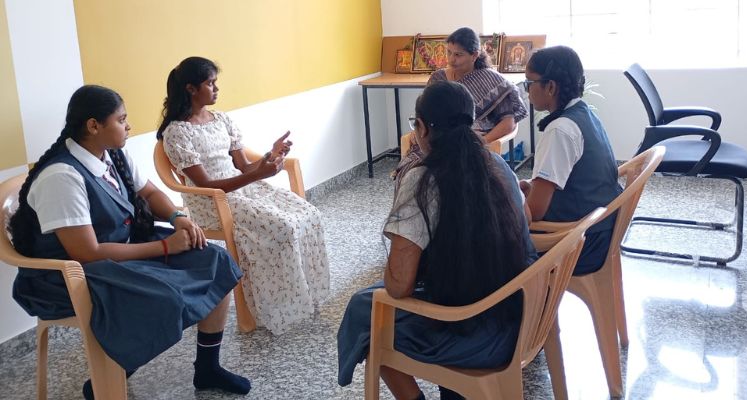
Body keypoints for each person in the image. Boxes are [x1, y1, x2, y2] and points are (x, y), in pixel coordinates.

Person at [9, 85, 250, 398]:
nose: (129, 126)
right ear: (93, 126)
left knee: (215, 260)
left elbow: (149, 192)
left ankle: (207, 368)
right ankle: (110, 377)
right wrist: (166, 246)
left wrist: (178, 218)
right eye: (121, 120)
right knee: (163, 297)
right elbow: (86, 252)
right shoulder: (61, 177)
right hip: (67, 275)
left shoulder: (110, 155)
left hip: (119, 252)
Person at [337, 81, 538, 400]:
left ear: (422, 128)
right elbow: (527, 220)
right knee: (373, 304)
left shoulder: (422, 179)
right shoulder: (497, 164)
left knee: (366, 316)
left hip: (468, 331)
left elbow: (399, 285)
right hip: (520, 319)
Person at [157, 56, 330, 334]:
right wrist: (257, 175)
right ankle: (272, 306)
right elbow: (207, 184)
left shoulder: (221, 119)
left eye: (215, 82)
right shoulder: (177, 133)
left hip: (242, 188)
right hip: (212, 201)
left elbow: (244, 167)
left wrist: (270, 156)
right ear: (191, 89)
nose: (216, 89)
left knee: (309, 214)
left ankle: (302, 295)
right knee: (282, 227)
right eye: (210, 83)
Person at [520, 45, 622, 275]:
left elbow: (535, 211)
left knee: (488, 233)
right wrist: (532, 188)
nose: (527, 92)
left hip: (580, 242)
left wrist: (509, 199)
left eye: (529, 83)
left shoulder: (560, 130)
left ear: (550, 87)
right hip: (600, 230)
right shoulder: (584, 113)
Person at [395, 27, 529, 186]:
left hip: (470, 143)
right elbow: (426, 114)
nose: (451, 59)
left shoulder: (492, 81)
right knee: (411, 171)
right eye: (449, 52)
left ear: (474, 55)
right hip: (435, 142)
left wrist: (481, 141)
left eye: (458, 55)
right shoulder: (438, 78)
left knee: (449, 172)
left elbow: (508, 123)